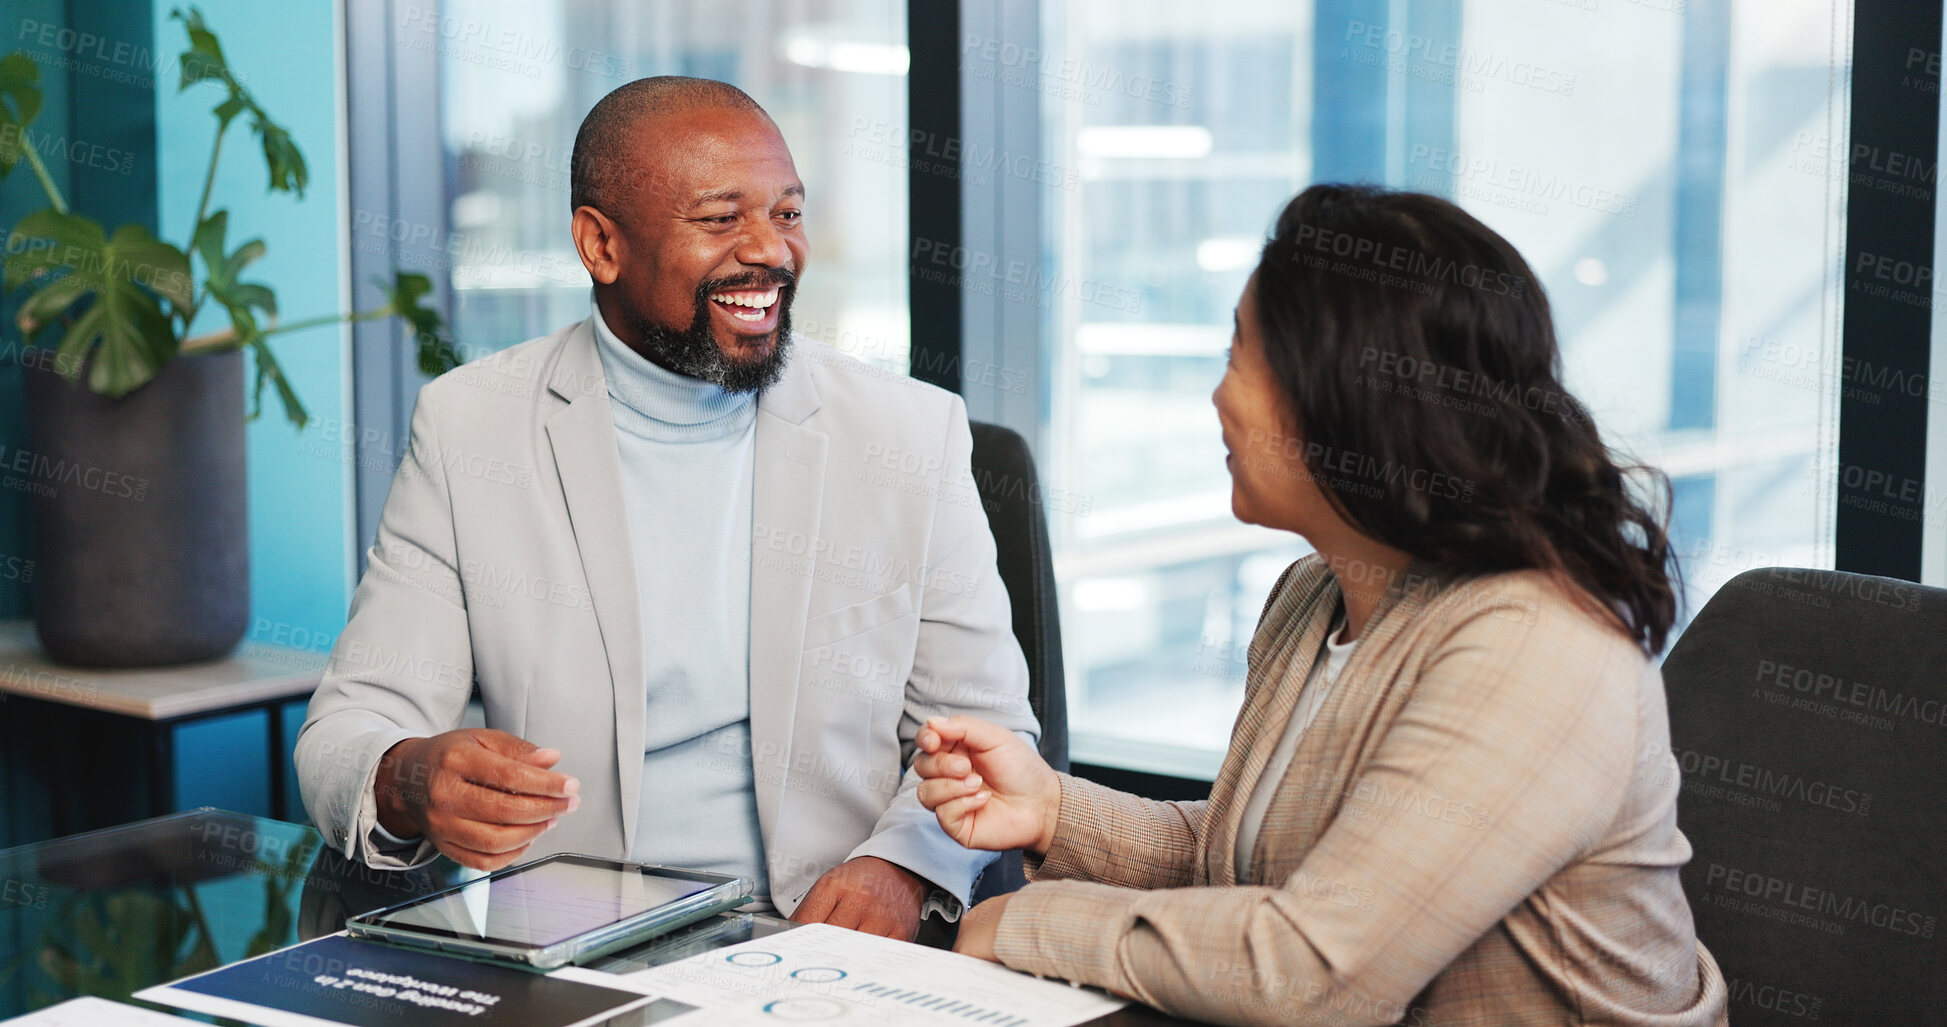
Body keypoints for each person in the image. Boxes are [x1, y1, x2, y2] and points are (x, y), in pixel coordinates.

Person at [913, 186, 1729, 1024]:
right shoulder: (1315, 594)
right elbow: (1255, 860)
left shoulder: (1537, 646)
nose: (1217, 397)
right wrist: (1052, 807)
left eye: (1238, 355)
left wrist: (1030, 921)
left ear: (1337, 397)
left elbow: (1320, 970)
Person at [296, 76, 1039, 941]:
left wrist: (904, 867)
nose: (770, 252)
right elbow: (345, 730)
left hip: (824, 949)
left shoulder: (909, 433)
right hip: (573, 947)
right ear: (599, 244)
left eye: (788, 214)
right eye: (721, 219)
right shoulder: (471, 428)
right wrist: (410, 777)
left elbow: (987, 731)